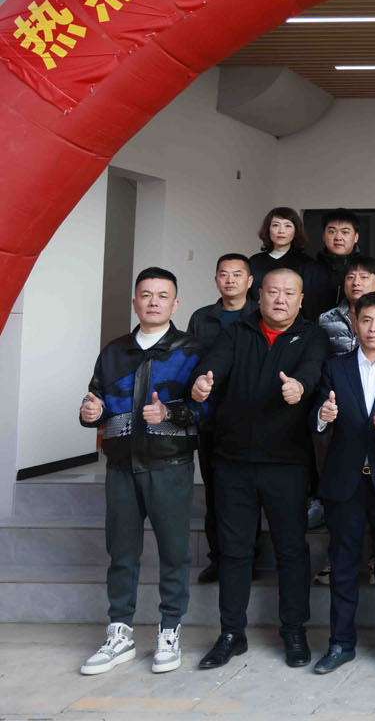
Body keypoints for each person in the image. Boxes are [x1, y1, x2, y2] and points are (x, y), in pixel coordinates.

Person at [192, 267, 330, 670]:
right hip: (232, 461)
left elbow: (313, 370)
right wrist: (201, 383)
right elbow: (212, 367)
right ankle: (231, 633)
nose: (280, 299)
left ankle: (294, 630)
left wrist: (299, 386)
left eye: (289, 293)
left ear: (301, 300)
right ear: (260, 295)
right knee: (234, 551)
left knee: (291, 549)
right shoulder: (236, 332)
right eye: (273, 291)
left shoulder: (313, 336)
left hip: (286, 462)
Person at [78, 267, 203, 677]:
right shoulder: (114, 350)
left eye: (162, 295)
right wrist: (90, 412)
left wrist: (170, 413)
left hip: (170, 465)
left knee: (174, 553)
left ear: (175, 304)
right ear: (135, 302)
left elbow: (205, 410)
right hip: (120, 467)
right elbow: (96, 397)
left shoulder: (191, 351)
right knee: (122, 553)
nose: (153, 302)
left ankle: (169, 630)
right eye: (146, 295)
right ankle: (120, 633)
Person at [310, 292, 375, 676]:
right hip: (345, 480)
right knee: (343, 564)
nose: (372, 328)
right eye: (365, 320)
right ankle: (340, 642)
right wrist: (323, 415)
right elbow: (317, 412)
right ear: (354, 324)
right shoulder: (334, 366)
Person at [188, 254, 259, 584]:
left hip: (251, 418)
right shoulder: (202, 318)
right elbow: (190, 364)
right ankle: (218, 559)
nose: (230, 280)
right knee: (215, 492)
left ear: (250, 281)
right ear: (216, 280)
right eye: (224, 274)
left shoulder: (261, 314)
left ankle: (249, 558)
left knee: (249, 494)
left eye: (237, 274)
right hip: (211, 418)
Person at [301, 209, 362, 321]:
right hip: (313, 330)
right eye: (332, 231)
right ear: (323, 236)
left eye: (345, 232)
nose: (338, 237)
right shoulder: (307, 270)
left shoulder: (368, 270)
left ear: (356, 237)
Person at [248, 207, 310, 300]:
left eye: (287, 226)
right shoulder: (255, 261)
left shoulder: (307, 263)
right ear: (268, 229)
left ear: (296, 230)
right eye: (275, 225)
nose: (281, 231)